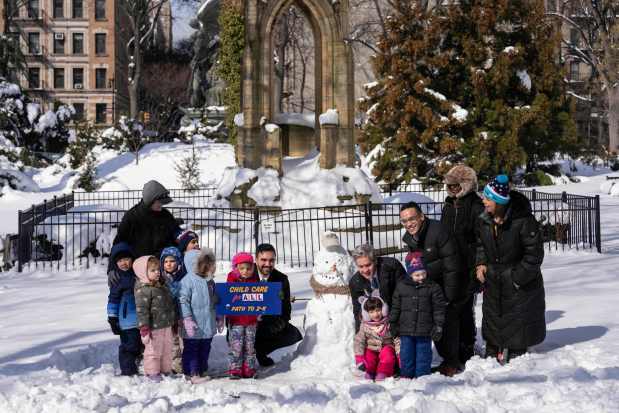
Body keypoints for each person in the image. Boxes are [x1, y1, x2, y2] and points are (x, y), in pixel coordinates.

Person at [475, 175, 546, 364]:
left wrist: (516, 278)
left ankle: (516, 351)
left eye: (487, 198)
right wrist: (481, 263)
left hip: (518, 281)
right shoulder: (484, 219)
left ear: (499, 201)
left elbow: (534, 255)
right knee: (493, 314)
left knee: (517, 317)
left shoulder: (523, 221)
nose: (483, 200)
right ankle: (493, 348)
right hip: (494, 278)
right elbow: (481, 244)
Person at [400, 201, 462, 376]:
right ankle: (445, 359)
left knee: (448, 324)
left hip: (445, 284)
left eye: (412, 218)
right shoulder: (410, 237)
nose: (408, 224)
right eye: (404, 221)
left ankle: (452, 362)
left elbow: (452, 265)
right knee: (435, 323)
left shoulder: (438, 231)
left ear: (421, 216)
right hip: (429, 286)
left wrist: (448, 296)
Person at [440, 165, 485, 365]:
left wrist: (480, 263)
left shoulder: (476, 205)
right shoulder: (448, 205)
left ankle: (467, 346)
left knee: (466, 307)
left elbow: (482, 238)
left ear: (466, 185)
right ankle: (453, 346)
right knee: (451, 308)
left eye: (456, 186)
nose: (452, 190)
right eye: (449, 186)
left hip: (468, 264)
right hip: (450, 265)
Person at [390, 251, 447, 379]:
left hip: (425, 330)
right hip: (406, 330)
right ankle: (407, 377)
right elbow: (396, 307)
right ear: (410, 274)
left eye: (423, 273)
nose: (421, 277)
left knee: (423, 355)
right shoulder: (401, 287)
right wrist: (393, 322)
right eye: (417, 275)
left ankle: (422, 378)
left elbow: (439, 308)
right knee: (406, 355)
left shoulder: (433, 287)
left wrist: (438, 325)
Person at [111, 180, 180, 281]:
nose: (162, 205)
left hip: (164, 268)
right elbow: (119, 244)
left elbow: (176, 234)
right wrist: (112, 268)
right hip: (140, 271)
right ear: (150, 200)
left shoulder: (165, 215)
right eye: (159, 202)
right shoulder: (132, 217)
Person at [253, 243, 303, 367]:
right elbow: (232, 304)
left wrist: (276, 326)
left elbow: (286, 309)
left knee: (295, 334)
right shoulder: (245, 274)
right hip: (248, 323)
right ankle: (246, 352)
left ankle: (261, 351)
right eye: (263, 260)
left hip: (270, 323)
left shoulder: (281, 279)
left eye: (271, 260)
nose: (267, 264)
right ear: (256, 259)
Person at [179, 248, 223, 383]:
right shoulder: (187, 281)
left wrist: (219, 316)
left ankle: (202, 369)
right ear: (195, 264)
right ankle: (191, 373)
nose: (208, 266)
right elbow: (183, 300)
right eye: (205, 263)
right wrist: (187, 318)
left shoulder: (210, 281)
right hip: (193, 323)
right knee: (191, 348)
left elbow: (215, 299)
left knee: (205, 347)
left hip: (208, 323)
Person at [134, 255, 177, 381]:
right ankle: (153, 373)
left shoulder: (161, 286)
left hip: (166, 325)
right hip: (154, 328)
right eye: (153, 270)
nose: (157, 272)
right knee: (153, 351)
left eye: (158, 269)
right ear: (143, 273)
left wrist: (172, 323)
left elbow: (169, 305)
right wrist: (144, 328)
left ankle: (166, 370)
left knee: (167, 350)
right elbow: (141, 310)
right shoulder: (143, 290)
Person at [349, 244, 407, 333]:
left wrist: (394, 322)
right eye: (361, 266)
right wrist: (359, 334)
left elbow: (405, 295)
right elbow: (358, 311)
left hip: (399, 317)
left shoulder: (392, 267)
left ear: (375, 261)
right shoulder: (355, 282)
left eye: (368, 265)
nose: (365, 270)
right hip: (376, 325)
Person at [106, 242, 141, 376]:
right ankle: (128, 370)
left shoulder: (139, 275)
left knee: (142, 343)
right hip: (126, 321)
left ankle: (140, 363)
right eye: (120, 261)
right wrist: (113, 319)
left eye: (126, 259)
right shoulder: (117, 280)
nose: (124, 263)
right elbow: (113, 300)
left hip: (143, 318)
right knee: (129, 345)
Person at [226, 252, 259, 379]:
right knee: (236, 345)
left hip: (251, 321)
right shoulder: (232, 279)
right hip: (236, 321)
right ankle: (235, 368)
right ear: (236, 268)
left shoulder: (255, 281)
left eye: (248, 268)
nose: (245, 271)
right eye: (242, 268)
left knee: (250, 346)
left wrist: (259, 312)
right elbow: (227, 297)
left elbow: (259, 299)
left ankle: (249, 367)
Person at [354, 296, 398, 381]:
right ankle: (369, 372)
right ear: (366, 314)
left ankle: (383, 373)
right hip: (371, 348)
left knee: (388, 355)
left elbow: (397, 339)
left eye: (378, 310)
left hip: (387, 346)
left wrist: (400, 356)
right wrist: (359, 359)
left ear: (383, 310)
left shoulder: (389, 323)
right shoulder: (365, 325)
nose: (376, 314)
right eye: (371, 312)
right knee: (369, 358)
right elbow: (359, 341)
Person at [160, 246, 186, 374]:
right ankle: (175, 365)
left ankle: (185, 364)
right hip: (168, 317)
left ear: (179, 262)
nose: (169, 264)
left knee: (183, 341)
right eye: (165, 261)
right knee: (172, 342)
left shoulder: (184, 277)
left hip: (182, 315)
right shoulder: (161, 279)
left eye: (172, 261)